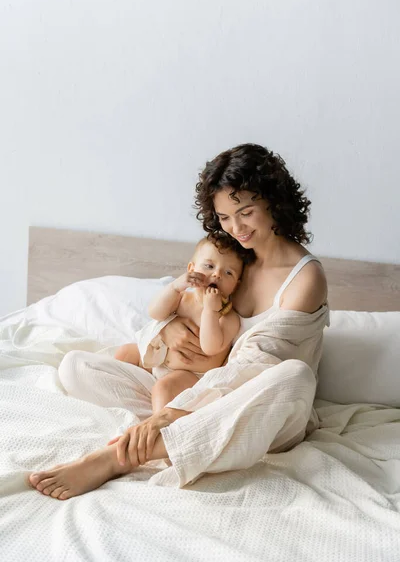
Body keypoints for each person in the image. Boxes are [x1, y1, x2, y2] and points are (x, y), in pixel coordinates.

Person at [29, 143, 328, 499]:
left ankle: (118, 457)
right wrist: (165, 329)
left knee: (295, 377)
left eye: (246, 211)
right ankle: (187, 433)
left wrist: (168, 414)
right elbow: (176, 306)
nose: (236, 228)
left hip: (262, 409)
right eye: (224, 217)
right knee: (76, 367)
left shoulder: (305, 278)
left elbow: (256, 366)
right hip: (196, 391)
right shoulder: (229, 262)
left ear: (273, 202)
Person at [113, 237, 244, 412]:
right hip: (158, 360)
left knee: (163, 388)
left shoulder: (228, 317)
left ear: (236, 286)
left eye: (229, 273)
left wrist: (210, 311)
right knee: (124, 353)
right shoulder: (182, 297)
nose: (217, 274)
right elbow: (155, 313)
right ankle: (123, 396)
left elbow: (210, 347)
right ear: (191, 269)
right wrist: (175, 287)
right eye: (209, 266)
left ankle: (158, 424)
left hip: (190, 376)